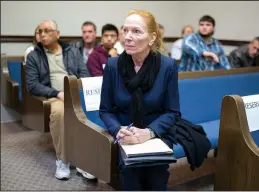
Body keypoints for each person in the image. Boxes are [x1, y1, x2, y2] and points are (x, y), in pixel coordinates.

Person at [99, 10, 180, 190]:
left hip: (156, 133)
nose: (128, 37)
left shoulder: (167, 66)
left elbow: (172, 112)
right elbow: (105, 110)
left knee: (156, 173)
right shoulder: (112, 65)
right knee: (130, 171)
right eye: (125, 30)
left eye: (136, 31)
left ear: (151, 38)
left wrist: (149, 132)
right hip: (125, 133)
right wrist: (118, 130)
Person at [25, 20, 96, 180]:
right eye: (40, 31)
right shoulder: (34, 56)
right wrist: (57, 93)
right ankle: (62, 159)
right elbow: (32, 85)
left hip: (75, 93)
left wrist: (80, 89)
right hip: (53, 96)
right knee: (60, 113)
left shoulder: (72, 51)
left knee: (91, 111)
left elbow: (84, 72)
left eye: (47, 31)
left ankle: (84, 159)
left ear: (57, 33)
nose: (43, 34)